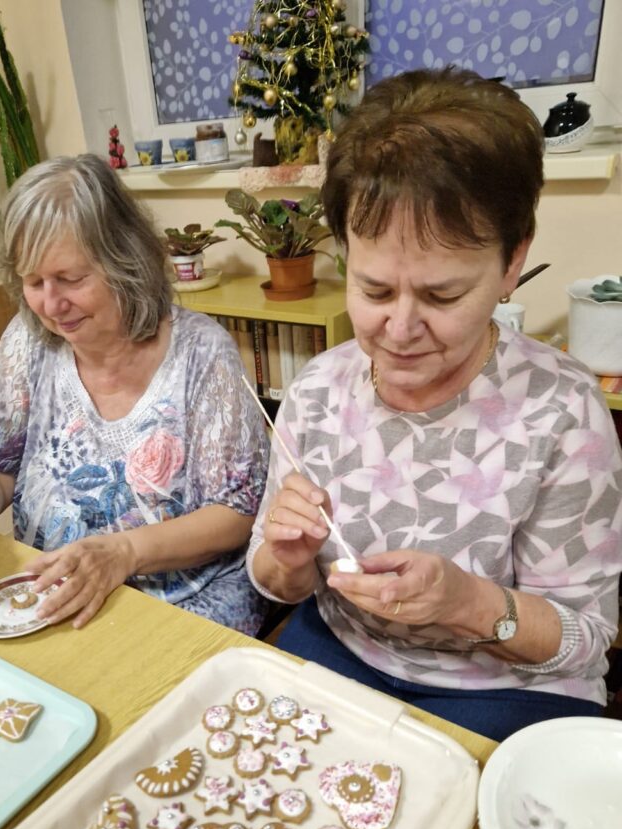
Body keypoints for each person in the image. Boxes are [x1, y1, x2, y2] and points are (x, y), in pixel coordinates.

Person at [248, 67, 622, 741]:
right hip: (340, 656)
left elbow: (587, 639)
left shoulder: (562, 412)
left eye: (443, 296)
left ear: (512, 263)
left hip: (509, 691)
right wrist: (288, 555)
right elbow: (275, 584)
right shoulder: (317, 393)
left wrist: (470, 605)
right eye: (375, 290)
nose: (399, 328)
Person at [0, 153, 269, 634]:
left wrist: (125, 553)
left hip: (182, 599)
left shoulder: (201, 353)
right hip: (51, 587)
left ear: (126, 263)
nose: (51, 305)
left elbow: (236, 513)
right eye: (33, 282)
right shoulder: (27, 339)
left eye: (71, 280)